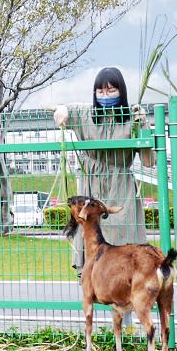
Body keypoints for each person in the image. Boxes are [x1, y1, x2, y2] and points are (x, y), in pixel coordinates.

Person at [53, 67, 155, 277]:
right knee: (92, 237)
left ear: (121, 92)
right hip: (91, 185)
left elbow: (148, 162)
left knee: (122, 240)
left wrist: (143, 126)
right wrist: (62, 109)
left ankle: (124, 296)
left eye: (111, 91)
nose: (105, 96)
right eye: (100, 92)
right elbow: (68, 109)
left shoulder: (132, 117)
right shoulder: (87, 114)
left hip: (121, 186)